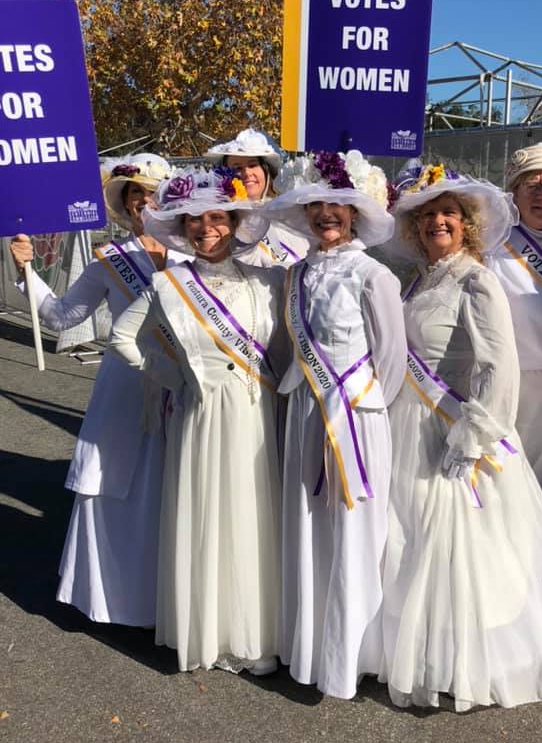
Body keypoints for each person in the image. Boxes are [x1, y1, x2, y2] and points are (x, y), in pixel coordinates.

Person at [381, 162, 542, 712]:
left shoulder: (477, 278)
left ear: (467, 222)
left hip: (455, 432)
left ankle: (465, 660)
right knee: (411, 543)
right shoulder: (420, 279)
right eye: (427, 215)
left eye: (448, 213)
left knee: (461, 549)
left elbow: (499, 367)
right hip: (411, 424)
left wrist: (474, 436)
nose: (437, 223)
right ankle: (416, 649)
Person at [110, 168, 288, 674]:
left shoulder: (266, 279)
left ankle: (258, 634)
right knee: (210, 516)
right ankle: (210, 634)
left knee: (254, 517)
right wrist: (178, 377)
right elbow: (124, 340)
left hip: (258, 413)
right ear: (183, 227)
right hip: (204, 416)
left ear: (233, 222)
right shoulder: (168, 285)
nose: (206, 228)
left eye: (216, 217)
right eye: (194, 220)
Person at [9, 153, 177, 625]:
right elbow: (63, 316)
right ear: (126, 203)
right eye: (135, 194)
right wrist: (27, 273)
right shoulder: (112, 261)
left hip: (180, 384)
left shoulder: (195, 252)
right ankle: (116, 601)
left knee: (178, 488)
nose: (144, 201)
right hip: (125, 383)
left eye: (152, 192)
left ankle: (174, 603)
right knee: (115, 485)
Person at [263, 150, 406, 699]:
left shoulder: (374, 275)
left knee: (351, 532)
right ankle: (309, 649)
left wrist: (361, 407)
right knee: (307, 527)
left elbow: (391, 358)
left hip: (354, 419)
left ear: (356, 213)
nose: (328, 214)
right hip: (306, 413)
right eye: (319, 204)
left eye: (340, 206)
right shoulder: (295, 274)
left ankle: (348, 657)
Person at [487, 143, 542, 513]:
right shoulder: (494, 246)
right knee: (526, 491)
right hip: (525, 391)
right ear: (514, 193)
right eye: (532, 186)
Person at [204, 128, 308, 266]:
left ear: (266, 171)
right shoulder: (216, 219)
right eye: (237, 168)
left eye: (252, 165)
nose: (247, 173)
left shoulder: (289, 213)